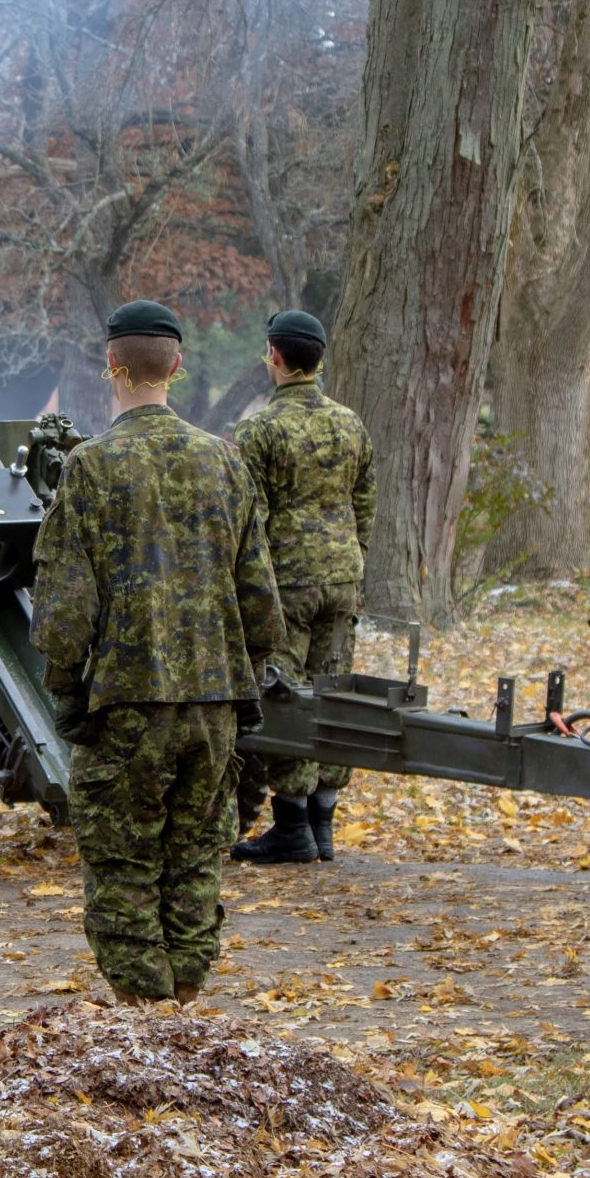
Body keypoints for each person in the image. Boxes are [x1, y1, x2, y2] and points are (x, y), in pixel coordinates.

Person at [32, 300, 285, 1005]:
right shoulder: (225, 463)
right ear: (177, 366)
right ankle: (186, 1000)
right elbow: (260, 598)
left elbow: (63, 605)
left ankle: (143, 1013)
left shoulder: (90, 467)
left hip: (124, 704)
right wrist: (252, 677)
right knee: (195, 859)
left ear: (111, 365)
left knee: (123, 865)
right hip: (213, 707)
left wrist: (65, 692)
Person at [228, 308, 376, 865]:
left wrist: (253, 592)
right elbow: (365, 502)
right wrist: (354, 560)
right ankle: (324, 823)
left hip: (286, 583)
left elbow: (251, 519)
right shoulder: (350, 423)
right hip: (342, 576)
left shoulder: (259, 429)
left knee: (285, 697)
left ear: (274, 356)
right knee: (333, 695)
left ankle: (293, 827)